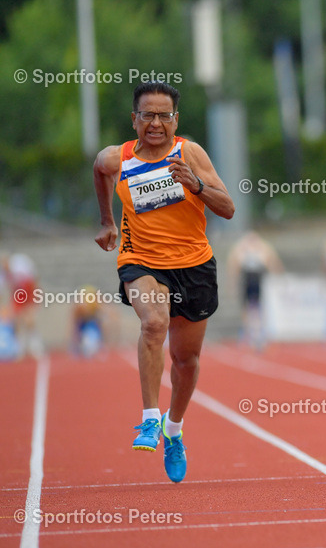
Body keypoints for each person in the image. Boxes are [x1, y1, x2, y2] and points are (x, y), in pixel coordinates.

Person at [93, 81, 235, 483]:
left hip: (194, 265)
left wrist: (195, 184)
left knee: (185, 361)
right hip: (140, 261)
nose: (156, 123)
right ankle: (150, 418)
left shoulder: (189, 153)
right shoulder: (116, 157)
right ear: (134, 119)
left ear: (176, 119)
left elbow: (227, 209)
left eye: (164, 115)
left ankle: (174, 429)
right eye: (148, 115)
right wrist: (107, 221)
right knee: (153, 323)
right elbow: (99, 171)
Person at [227, 231, 284, 350]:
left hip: (258, 279)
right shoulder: (241, 248)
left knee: (259, 308)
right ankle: (248, 334)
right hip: (247, 279)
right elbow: (234, 264)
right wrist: (232, 282)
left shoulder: (262, 247)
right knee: (247, 308)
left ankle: (259, 334)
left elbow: (272, 261)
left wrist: (278, 275)